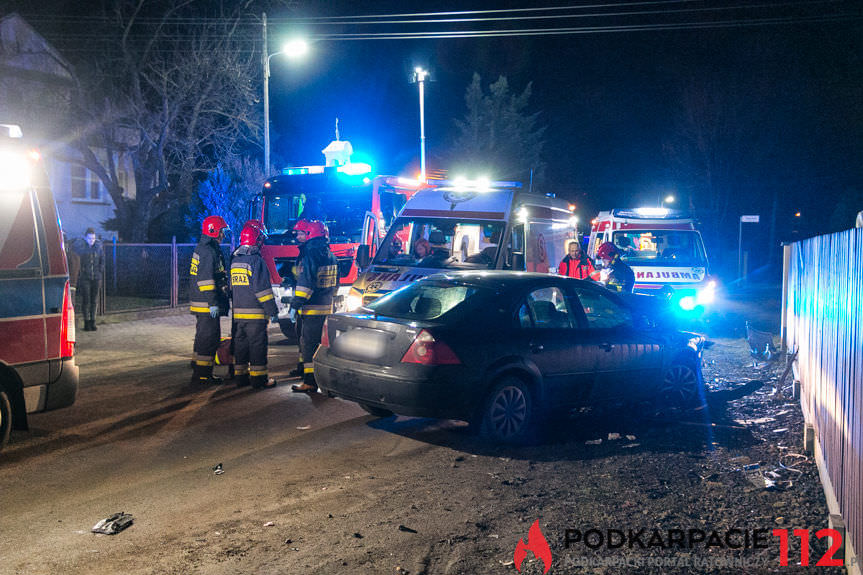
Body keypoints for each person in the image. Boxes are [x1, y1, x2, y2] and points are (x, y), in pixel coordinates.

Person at [288, 219, 338, 393]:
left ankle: (310, 381)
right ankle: (308, 371)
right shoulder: (329, 254)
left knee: (308, 343)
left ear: (311, 234)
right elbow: (334, 283)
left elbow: (306, 283)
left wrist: (295, 305)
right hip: (325, 306)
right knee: (317, 343)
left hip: (311, 307)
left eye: (301, 233)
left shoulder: (310, 254)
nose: (298, 237)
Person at [230, 222, 278, 389]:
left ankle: (240, 378)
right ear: (257, 241)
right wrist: (272, 311)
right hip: (255, 315)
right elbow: (262, 290)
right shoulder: (257, 262)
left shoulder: (235, 261)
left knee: (241, 346)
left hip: (239, 315)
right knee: (257, 346)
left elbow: (231, 287)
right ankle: (259, 380)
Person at [189, 215, 230, 384]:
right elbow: (206, 281)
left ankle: (197, 365)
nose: (223, 235)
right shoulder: (208, 251)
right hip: (207, 304)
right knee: (209, 338)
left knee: (202, 336)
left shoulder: (205, 247)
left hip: (202, 302)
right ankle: (203, 375)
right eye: (221, 231)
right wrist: (213, 303)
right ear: (213, 231)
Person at [73, 228, 104, 331]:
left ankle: (93, 321)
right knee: (86, 300)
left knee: (94, 300)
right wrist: (82, 272)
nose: (92, 240)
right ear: (85, 238)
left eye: (93, 238)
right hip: (85, 278)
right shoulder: (81, 248)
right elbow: (77, 260)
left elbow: (102, 261)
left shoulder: (98, 248)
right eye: (90, 238)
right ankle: (86, 322)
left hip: (96, 277)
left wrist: (99, 271)